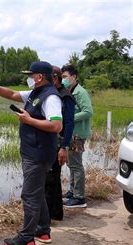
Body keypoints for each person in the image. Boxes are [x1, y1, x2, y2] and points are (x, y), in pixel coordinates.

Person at [0, 61, 63, 245]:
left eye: (31, 75)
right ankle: (42, 231)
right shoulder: (35, 94)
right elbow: (12, 94)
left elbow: (57, 126)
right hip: (33, 151)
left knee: (29, 195)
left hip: (38, 154)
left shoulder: (51, 98)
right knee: (37, 192)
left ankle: (27, 237)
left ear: (39, 77)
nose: (29, 78)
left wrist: (29, 120)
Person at [44, 66, 76, 220]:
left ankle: (47, 217)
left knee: (50, 180)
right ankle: (56, 213)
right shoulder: (53, 94)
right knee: (53, 178)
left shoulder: (65, 96)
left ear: (54, 78)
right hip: (50, 142)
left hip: (58, 143)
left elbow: (69, 124)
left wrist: (64, 147)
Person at [61, 64, 93, 208]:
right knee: (71, 163)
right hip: (72, 133)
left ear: (73, 77)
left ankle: (79, 197)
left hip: (77, 134)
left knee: (75, 164)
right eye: (62, 77)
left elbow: (87, 111)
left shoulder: (80, 92)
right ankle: (73, 191)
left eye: (65, 77)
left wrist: (69, 118)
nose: (63, 80)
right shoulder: (70, 90)